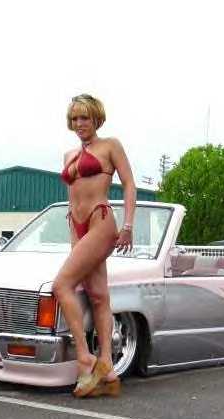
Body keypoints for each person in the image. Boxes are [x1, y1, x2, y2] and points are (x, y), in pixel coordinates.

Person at [52, 94, 136, 398]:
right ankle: (108, 368)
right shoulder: (69, 154)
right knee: (98, 295)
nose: (79, 123)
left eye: (84, 117)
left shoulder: (110, 145)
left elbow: (129, 184)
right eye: (74, 118)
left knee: (61, 285)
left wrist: (128, 226)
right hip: (76, 225)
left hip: (100, 221)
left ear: (96, 118)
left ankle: (84, 357)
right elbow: (73, 193)